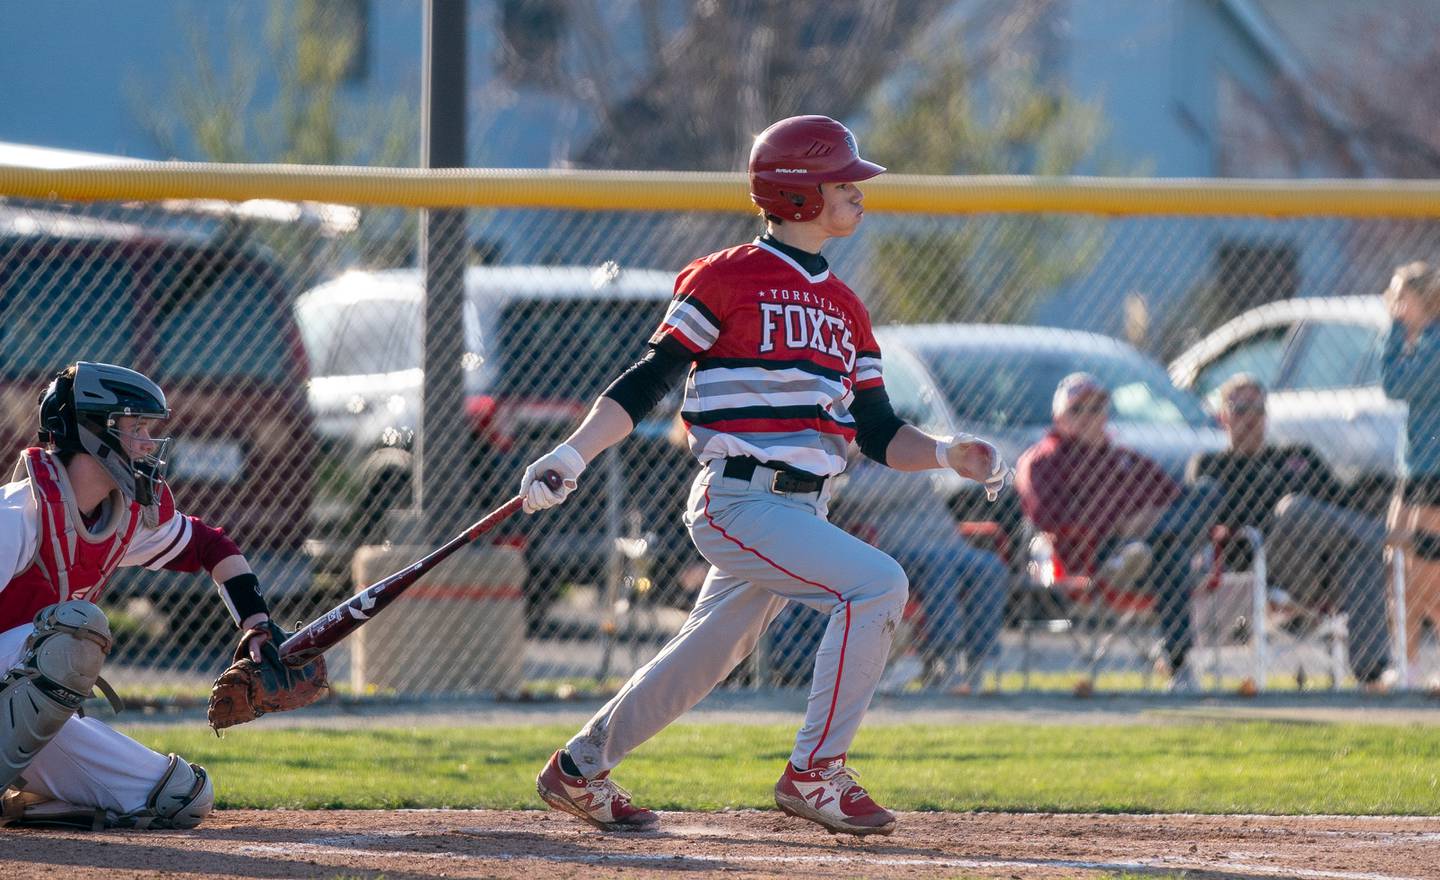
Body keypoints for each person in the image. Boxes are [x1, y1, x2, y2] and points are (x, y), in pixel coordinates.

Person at [521, 115, 1010, 837]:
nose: (859, 193)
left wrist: (944, 452)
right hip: (740, 498)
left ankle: (579, 767)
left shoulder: (847, 307)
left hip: (798, 513)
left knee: (710, 652)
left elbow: (875, 432)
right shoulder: (726, 277)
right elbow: (651, 378)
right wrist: (573, 453)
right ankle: (815, 772)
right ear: (799, 192)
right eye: (844, 182)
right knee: (878, 585)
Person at [0, 362, 288, 829]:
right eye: (135, 427)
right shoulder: (18, 514)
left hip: (22, 720)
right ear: (93, 433)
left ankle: (25, 795)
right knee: (75, 631)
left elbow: (211, 546)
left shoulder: (119, 516)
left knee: (182, 795)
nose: (147, 444)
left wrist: (256, 624)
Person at [1015, 372, 1219, 692]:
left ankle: (1154, 543)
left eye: (1097, 408)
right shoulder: (1043, 460)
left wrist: (1149, 522)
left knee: (1205, 493)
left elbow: (1175, 500)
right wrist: (1119, 525)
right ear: (1059, 416)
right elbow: (1045, 517)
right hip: (1094, 556)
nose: (1088, 416)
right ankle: (1179, 667)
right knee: (1171, 552)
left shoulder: (1123, 458)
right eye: (1078, 409)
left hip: (1148, 553)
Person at [1187, 374, 1390, 685]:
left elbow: (1343, 504)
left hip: (1320, 569)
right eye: (1240, 409)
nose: (1250, 418)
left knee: (1356, 550)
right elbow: (1211, 525)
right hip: (1262, 566)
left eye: (1257, 409)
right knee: (1292, 509)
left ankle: (1371, 673)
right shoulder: (1210, 465)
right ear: (1223, 417)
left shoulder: (1298, 456)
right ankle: (1393, 540)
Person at [829, 451, 1011, 693]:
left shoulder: (907, 467)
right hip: (901, 551)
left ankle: (979, 659)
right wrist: (906, 473)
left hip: (950, 546)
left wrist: (905, 473)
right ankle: (945, 657)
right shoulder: (854, 471)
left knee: (989, 566)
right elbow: (853, 493)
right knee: (940, 567)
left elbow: (890, 486)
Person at [1381, 261, 1440, 675]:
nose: (1396, 306)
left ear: (1427, 301)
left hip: (1434, 474)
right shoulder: (1420, 342)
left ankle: (1417, 663)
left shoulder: (1434, 344)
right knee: (1395, 564)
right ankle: (1407, 662)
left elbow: (1395, 385)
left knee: (1426, 575)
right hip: (1413, 472)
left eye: (1403, 298)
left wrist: (1392, 332)